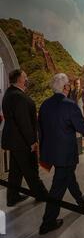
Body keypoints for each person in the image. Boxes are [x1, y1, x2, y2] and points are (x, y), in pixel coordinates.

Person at [38, 73, 84, 235]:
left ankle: (80, 200)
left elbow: (40, 128)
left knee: (68, 177)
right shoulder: (69, 105)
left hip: (51, 152)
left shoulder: (45, 105)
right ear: (64, 87)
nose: (69, 87)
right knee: (58, 187)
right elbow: (81, 125)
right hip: (66, 153)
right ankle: (47, 223)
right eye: (68, 85)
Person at [1, 69, 48, 207]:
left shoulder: (9, 94)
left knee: (15, 171)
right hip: (22, 142)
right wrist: (32, 142)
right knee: (31, 169)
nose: (27, 78)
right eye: (25, 76)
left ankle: (12, 197)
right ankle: (42, 195)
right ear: (19, 80)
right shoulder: (18, 96)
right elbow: (24, 123)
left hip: (14, 141)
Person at [69, 78, 84, 154]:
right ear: (74, 84)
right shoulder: (72, 93)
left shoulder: (82, 92)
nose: (77, 85)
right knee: (75, 132)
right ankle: (76, 150)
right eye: (76, 83)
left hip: (80, 114)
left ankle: (80, 150)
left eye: (78, 83)